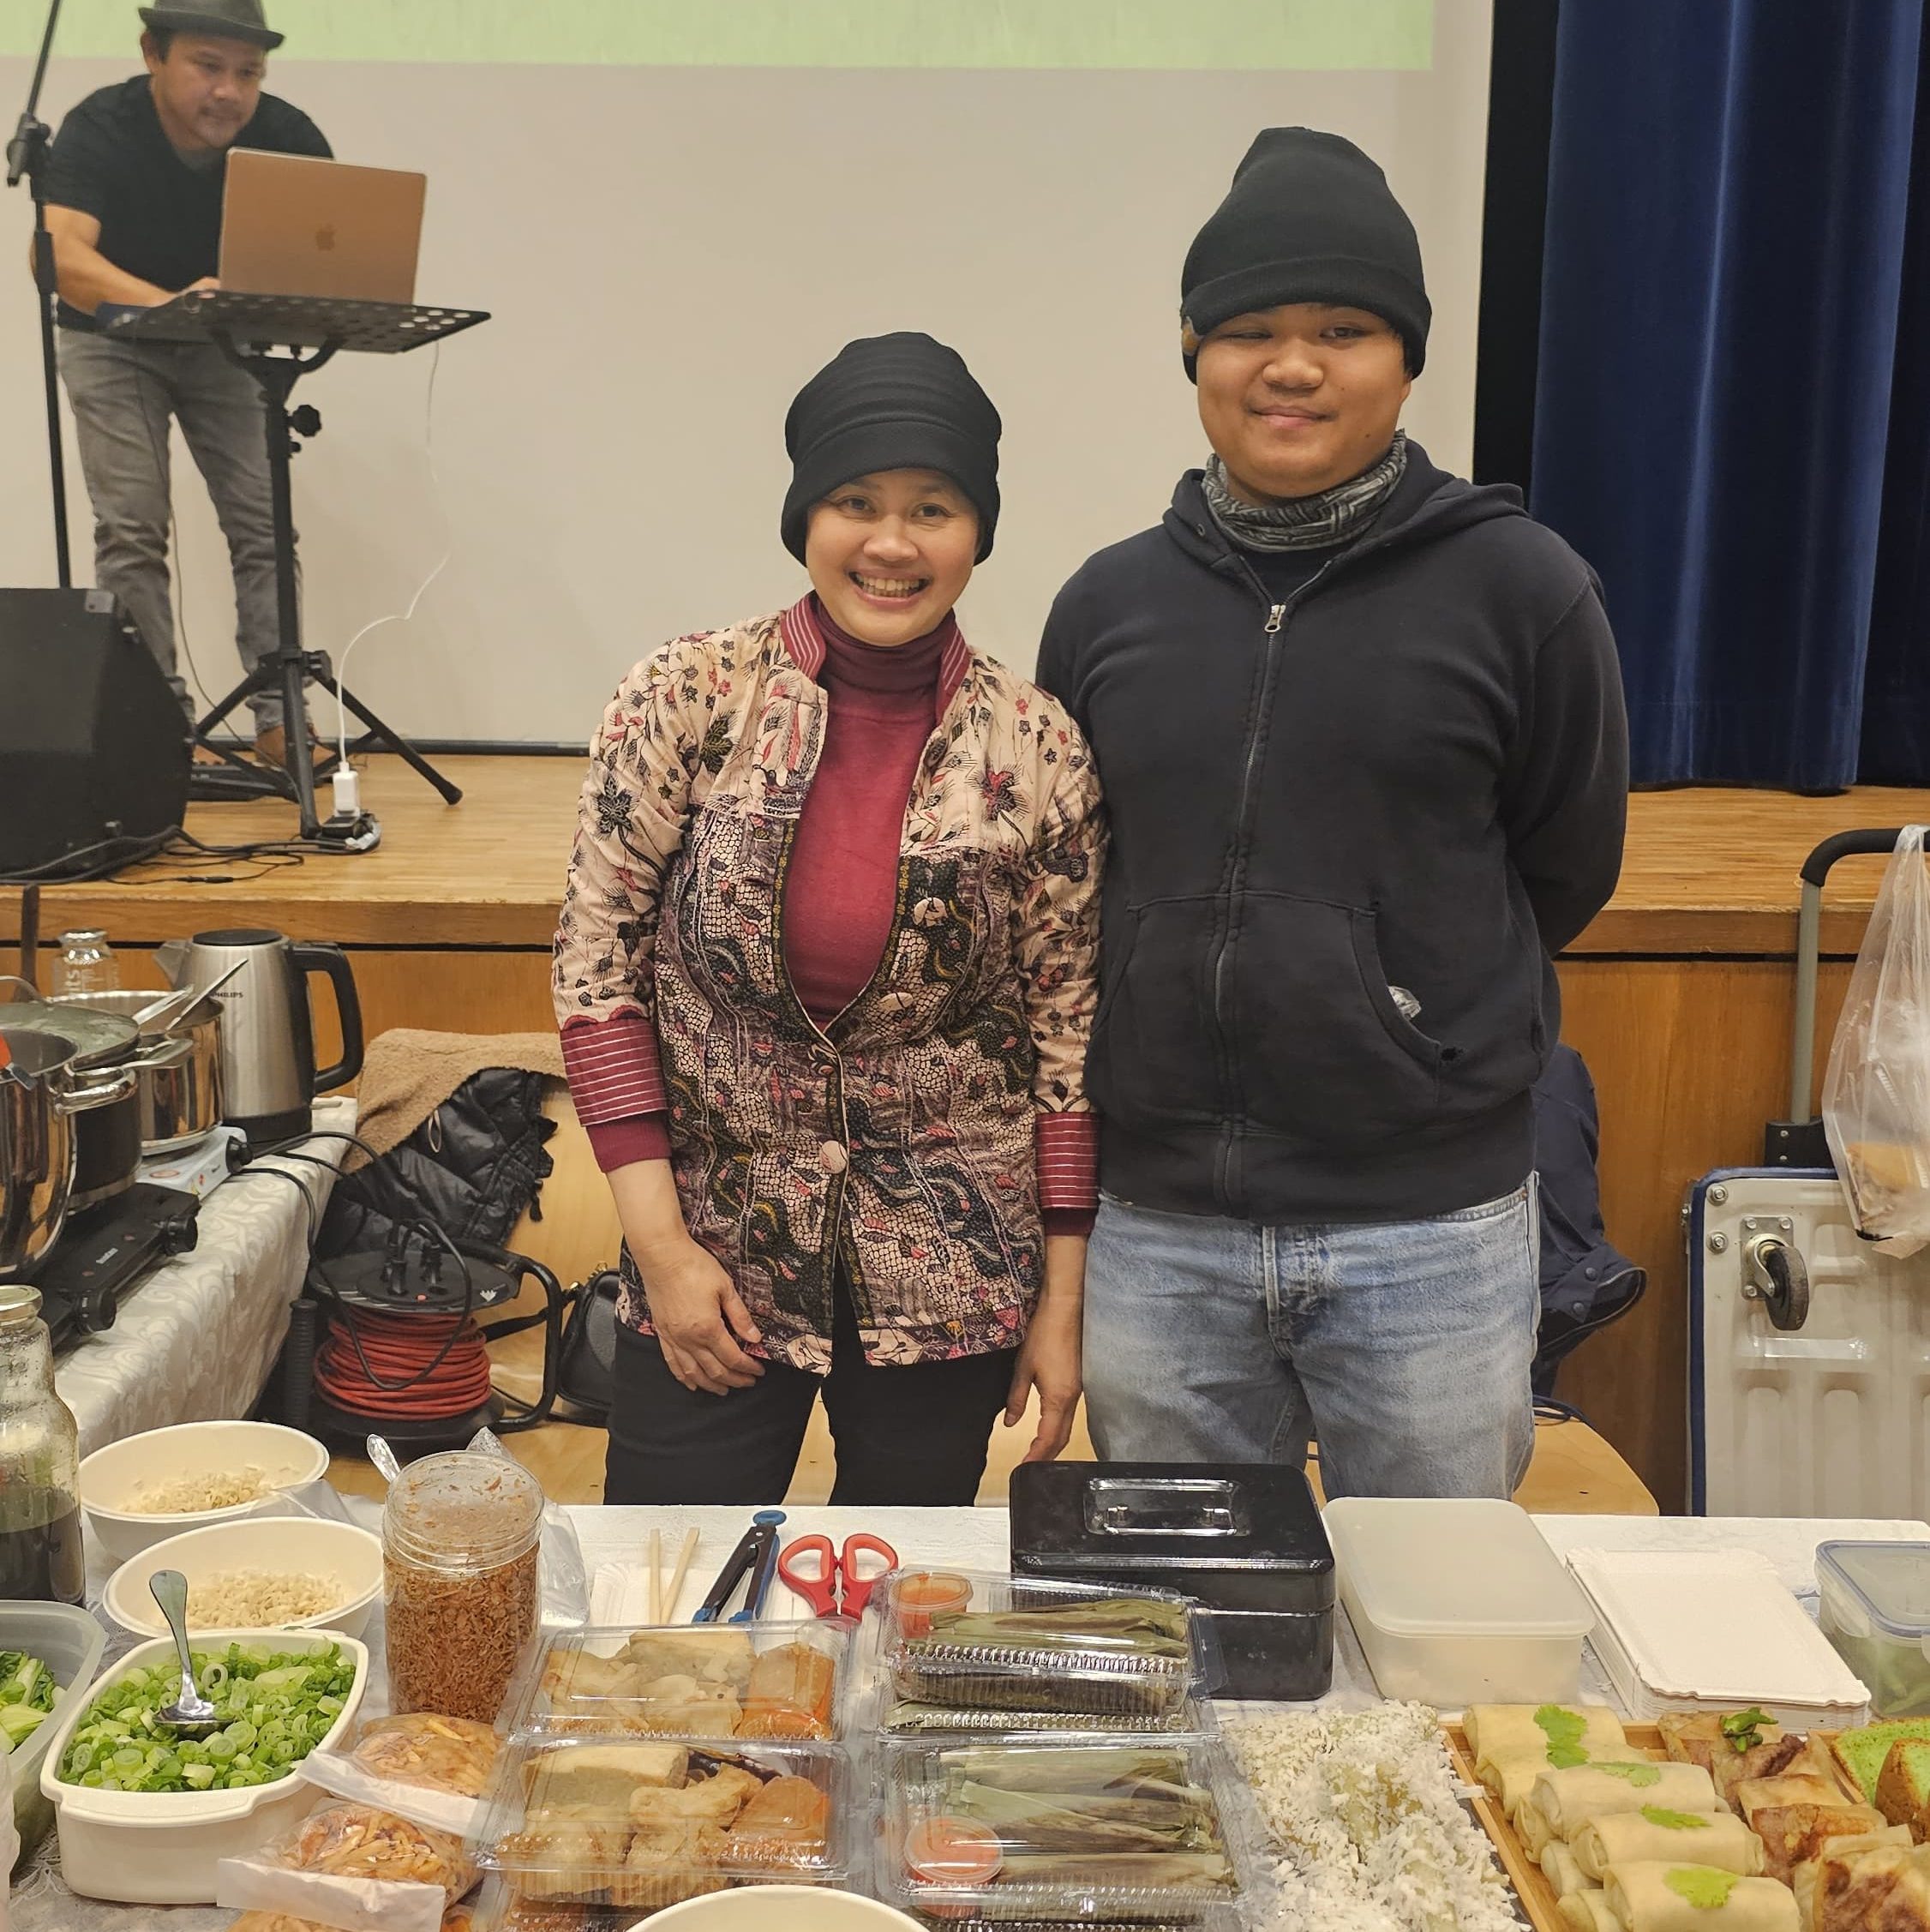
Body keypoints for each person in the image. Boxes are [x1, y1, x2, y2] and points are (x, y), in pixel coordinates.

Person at [1035, 128, 1629, 1501]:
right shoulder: (1107, 605)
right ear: (1193, 349)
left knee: (1430, 1604)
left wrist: (1399, 1010)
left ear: (1407, 359)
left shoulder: (1525, 590)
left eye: (1342, 330)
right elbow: (1072, 883)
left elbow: (1565, 868)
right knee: (1187, 1607)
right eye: (1250, 329)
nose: (1291, 365)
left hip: (1428, 1231)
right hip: (1159, 1230)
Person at [554, 332, 1106, 1506]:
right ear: (806, 515)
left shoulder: (1038, 743)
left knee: (899, 1588)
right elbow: (598, 972)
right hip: (712, 1247)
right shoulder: (689, 694)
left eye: (932, 509)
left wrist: (1060, 1305)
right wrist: (660, 1249)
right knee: (669, 1587)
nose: (892, 543)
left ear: (976, 531)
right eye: (857, 502)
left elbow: (1067, 1040)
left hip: (952, 1267)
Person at [38, 0, 330, 771]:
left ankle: (282, 720)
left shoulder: (288, 137)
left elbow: (328, 254)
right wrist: (170, 304)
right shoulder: (100, 127)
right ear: (153, 55)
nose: (229, 91)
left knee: (265, 524)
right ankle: (157, 729)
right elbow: (57, 257)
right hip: (110, 340)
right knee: (131, 527)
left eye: (248, 73)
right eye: (208, 66)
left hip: (223, 343)